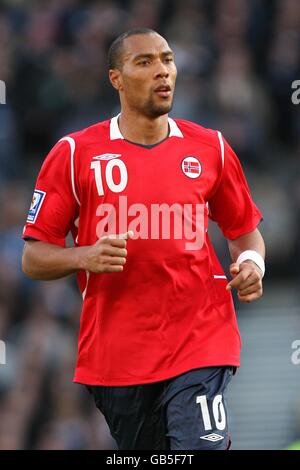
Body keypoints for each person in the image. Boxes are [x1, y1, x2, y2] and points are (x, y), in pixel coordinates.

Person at [22, 28, 265, 450]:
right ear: (115, 78)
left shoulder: (212, 148)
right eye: (145, 62)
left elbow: (245, 235)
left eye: (168, 60)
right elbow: (34, 258)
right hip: (118, 353)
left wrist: (252, 265)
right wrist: (84, 256)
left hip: (201, 338)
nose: (163, 71)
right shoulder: (76, 153)